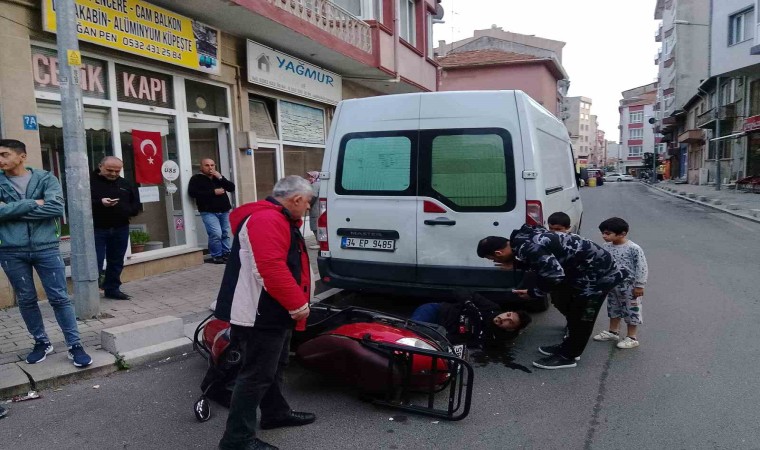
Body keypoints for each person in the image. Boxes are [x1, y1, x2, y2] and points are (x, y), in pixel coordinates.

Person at [215, 175, 316, 450]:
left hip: (272, 309)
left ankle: (275, 413)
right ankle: (237, 440)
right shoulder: (268, 219)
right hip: (261, 312)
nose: (308, 209)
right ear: (296, 199)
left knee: (275, 366)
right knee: (256, 375)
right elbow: (270, 268)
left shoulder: (277, 217)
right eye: (307, 203)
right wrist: (298, 305)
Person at [476, 225, 628, 370]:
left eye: (492, 259)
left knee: (582, 317)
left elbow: (554, 274)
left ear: (498, 253)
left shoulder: (528, 248)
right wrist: (518, 265)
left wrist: (533, 293)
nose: (495, 262)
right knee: (573, 311)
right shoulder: (522, 239)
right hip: (586, 273)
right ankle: (567, 347)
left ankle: (569, 357)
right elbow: (547, 260)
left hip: (599, 278)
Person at [0, 139, 92, 367]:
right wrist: (35, 203)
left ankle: (74, 345)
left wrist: (9, 210)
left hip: (46, 248)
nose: (0, 160)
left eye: (4, 154)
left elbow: (56, 208)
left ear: (22, 156)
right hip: (11, 250)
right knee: (26, 299)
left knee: (59, 298)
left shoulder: (45, 178)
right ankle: (41, 342)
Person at [90, 156, 141, 300]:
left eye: (117, 171)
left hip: (120, 227)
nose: (113, 174)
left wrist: (128, 211)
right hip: (97, 228)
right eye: (109, 170)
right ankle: (91, 293)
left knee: (116, 260)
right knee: (96, 261)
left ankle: (112, 288)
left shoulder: (125, 183)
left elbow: (135, 203)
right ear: (100, 166)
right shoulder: (89, 183)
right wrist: (100, 203)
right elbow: (80, 205)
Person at [593, 217, 648, 349]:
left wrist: (640, 285)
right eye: (603, 233)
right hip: (613, 285)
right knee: (613, 308)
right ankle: (613, 331)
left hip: (630, 287)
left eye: (608, 233)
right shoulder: (606, 247)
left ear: (622, 233)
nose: (604, 236)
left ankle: (632, 337)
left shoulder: (633, 248)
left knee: (631, 310)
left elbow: (642, 267)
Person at [410, 290, 532, 347]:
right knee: (412, 330)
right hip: (435, 312)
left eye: (509, 322)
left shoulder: (493, 339)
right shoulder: (491, 308)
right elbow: (462, 292)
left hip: (441, 334)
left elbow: (461, 344)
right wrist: (469, 304)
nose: (504, 318)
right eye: (508, 315)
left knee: (417, 344)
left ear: (510, 329)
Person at [189, 159, 235, 264]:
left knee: (225, 233)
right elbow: (193, 193)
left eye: (212, 165)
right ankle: (217, 255)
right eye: (207, 165)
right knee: (215, 233)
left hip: (224, 210)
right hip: (208, 211)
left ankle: (226, 253)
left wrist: (220, 177)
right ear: (201, 167)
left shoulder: (218, 178)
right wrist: (213, 192)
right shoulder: (196, 179)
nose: (210, 167)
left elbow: (231, 188)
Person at [306, 171, 320, 250]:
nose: (309, 178)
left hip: (316, 209)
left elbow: (313, 196)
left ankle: (319, 243)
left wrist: (308, 203)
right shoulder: (319, 184)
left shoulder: (315, 185)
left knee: (315, 226)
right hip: (318, 208)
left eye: (311, 177)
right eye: (308, 177)